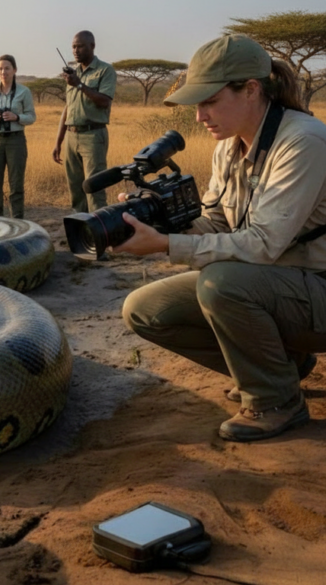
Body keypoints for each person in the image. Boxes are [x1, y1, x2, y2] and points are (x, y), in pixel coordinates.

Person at [115, 34, 326, 442]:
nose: (200, 116)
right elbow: (217, 222)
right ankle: (280, 365)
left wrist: (166, 246)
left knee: (222, 284)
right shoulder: (228, 147)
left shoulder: (302, 142)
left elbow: (262, 244)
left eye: (210, 101)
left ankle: (275, 400)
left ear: (250, 90)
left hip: (316, 286)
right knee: (144, 308)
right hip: (277, 286)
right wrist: (160, 222)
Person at [52, 30, 116, 213]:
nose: (76, 50)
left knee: (94, 188)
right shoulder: (73, 74)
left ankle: (100, 234)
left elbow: (105, 101)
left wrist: (79, 85)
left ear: (92, 46)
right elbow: (68, 109)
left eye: (80, 46)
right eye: (73, 47)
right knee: (76, 189)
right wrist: (58, 142)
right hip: (72, 137)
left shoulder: (105, 70)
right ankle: (82, 232)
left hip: (93, 136)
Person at [0, 54, 36, 219]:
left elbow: (32, 117)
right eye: (0, 68)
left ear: (14, 70)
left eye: (7, 68)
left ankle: (17, 223)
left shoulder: (23, 92)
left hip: (16, 139)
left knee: (16, 185)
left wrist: (16, 117)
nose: (3, 72)